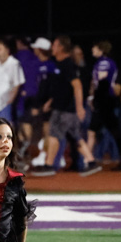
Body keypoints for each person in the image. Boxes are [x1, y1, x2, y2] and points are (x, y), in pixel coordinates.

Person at [32, 35, 101, 176]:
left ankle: (49, 165)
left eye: (55, 45)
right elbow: (61, 88)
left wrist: (80, 107)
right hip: (61, 107)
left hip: (65, 110)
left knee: (53, 135)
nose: (53, 47)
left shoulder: (67, 64)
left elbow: (77, 86)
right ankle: (91, 162)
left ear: (61, 47)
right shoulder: (58, 63)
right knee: (75, 137)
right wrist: (50, 102)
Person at [87, 40, 121, 170]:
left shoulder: (104, 62)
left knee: (92, 131)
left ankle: (88, 161)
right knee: (115, 131)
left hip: (104, 101)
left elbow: (101, 81)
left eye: (95, 47)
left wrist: (94, 98)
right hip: (107, 100)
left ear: (101, 49)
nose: (92, 49)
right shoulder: (103, 62)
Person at [0, 37, 25, 123]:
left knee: (6, 129)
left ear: (7, 50)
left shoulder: (14, 63)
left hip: (4, 104)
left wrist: (11, 100)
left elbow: (17, 83)